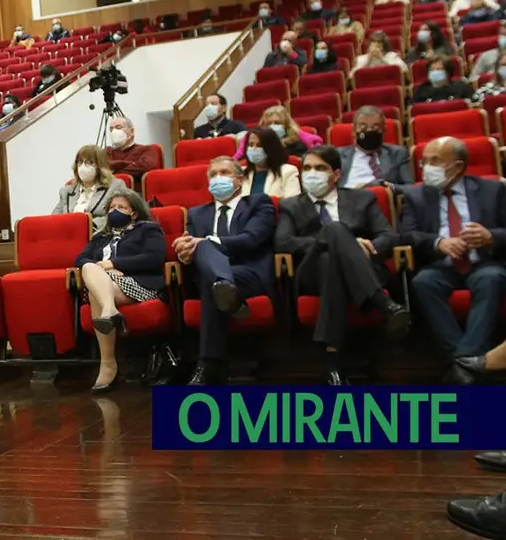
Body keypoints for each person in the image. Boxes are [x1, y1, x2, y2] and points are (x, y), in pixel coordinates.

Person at [275, 146, 409, 384]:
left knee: (330, 262)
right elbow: (283, 242)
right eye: (307, 168)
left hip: (361, 268)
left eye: (320, 168)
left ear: (335, 174)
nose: (312, 173)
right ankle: (382, 303)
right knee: (334, 231)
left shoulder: (362, 198)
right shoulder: (291, 205)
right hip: (310, 272)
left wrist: (367, 246)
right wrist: (335, 240)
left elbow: (388, 236)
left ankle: (333, 365)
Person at [401, 137, 506, 362]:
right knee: (423, 282)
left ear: (458, 166)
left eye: (435, 161)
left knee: (491, 279)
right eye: (424, 162)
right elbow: (407, 234)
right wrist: (438, 243)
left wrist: (491, 236)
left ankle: (461, 361)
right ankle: (469, 361)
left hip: (483, 262)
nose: (427, 168)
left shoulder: (493, 190)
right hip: (441, 266)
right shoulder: (416, 196)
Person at [174, 157, 277, 385]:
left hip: (249, 274)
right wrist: (184, 253)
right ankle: (225, 287)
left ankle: (206, 365)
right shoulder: (196, 213)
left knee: (205, 248)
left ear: (239, 180)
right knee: (206, 261)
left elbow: (252, 239)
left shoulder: (258, 203)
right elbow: (191, 254)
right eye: (213, 174)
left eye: (224, 172)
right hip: (209, 276)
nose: (217, 178)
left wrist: (208, 242)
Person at [75, 189, 165, 393]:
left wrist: (115, 264)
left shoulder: (148, 229)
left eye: (121, 207)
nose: (115, 211)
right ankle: (110, 310)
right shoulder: (101, 237)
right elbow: (80, 259)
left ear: (133, 213)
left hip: (140, 283)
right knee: (89, 267)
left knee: (95, 293)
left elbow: (153, 258)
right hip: (108, 283)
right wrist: (103, 269)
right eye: (111, 207)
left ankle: (108, 363)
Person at [53, 145, 127, 233]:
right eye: (80, 162)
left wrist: (89, 225)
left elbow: (118, 215)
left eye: (89, 162)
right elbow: (54, 219)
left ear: (100, 165)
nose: (83, 166)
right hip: (69, 236)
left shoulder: (115, 186)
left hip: (99, 235)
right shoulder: (66, 191)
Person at [338, 106, 414, 189]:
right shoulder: (338, 155)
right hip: (348, 194)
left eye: (375, 127)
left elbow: (409, 188)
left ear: (384, 130)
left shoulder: (398, 153)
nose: (369, 130)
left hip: (381, 195)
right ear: (353, 131)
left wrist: (388, 186)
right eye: (363, 127)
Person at [237, 105, 321, 158]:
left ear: (286, 125)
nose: (272, 126)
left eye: (277, 123)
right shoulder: (256, 145)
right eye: (268, 123)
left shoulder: (297, 144)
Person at [240, 127, 301, 198]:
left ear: (270, 149)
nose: (254, 149)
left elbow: (293, 202)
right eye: (251, 145)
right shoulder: (241, 173)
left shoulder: (287, 172)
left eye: (259, 145)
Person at [105, 118, 158, 185]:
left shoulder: (146, 149)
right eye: (111, 129)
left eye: (118, 127)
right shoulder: (107, 151)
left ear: (132, 131)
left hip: (134, 189)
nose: (114, 132)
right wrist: (130, 163)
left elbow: (145, 167)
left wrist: (113, 170)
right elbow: (99, 169)